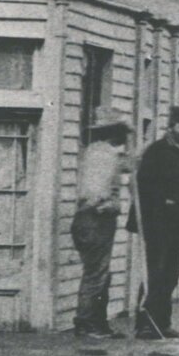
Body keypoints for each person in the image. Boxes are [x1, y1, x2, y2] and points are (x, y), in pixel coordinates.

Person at [134, 105, 179, 338]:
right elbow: (145, 188)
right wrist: (162, 208)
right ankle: (146, 323)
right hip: (158, 224)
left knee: (170, 274)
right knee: (156, 272)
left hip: (176, 225)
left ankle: (162, 322)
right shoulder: (157, 153)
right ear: (170, 128)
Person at [71, 109, 132, 338]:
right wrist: (110, 206)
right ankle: (86, 323)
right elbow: (94, 193)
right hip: (94, 220)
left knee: (102, 274)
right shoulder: (102, 155)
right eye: (123, 132)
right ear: (114, 132)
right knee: (96, 273)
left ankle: (98, 322)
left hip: (92, 221)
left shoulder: (99, 153)